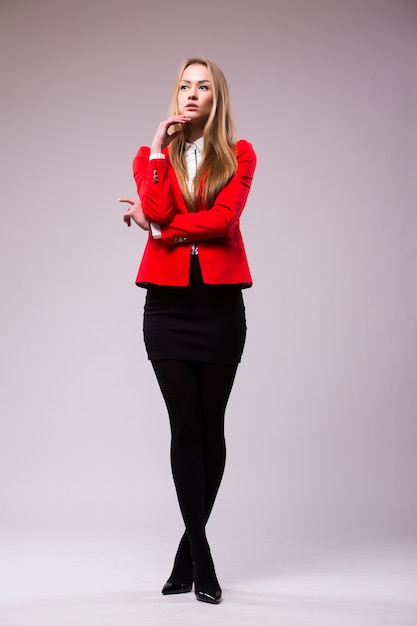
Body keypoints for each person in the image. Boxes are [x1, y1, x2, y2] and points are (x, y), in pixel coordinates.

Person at [119, 58, 256, 605]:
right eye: (184, 85)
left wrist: (157, 229)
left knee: (212, 426)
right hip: (167, 310)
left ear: (216, 96)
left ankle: (184, 553)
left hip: (220, 306)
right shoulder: (148, 157)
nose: (192, 93)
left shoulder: (240, 154)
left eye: (203, 86)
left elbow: (222, 220)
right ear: (175, 94)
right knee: (185, 423)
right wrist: (157, 147)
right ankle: (202, 557)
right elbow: (155, 200)